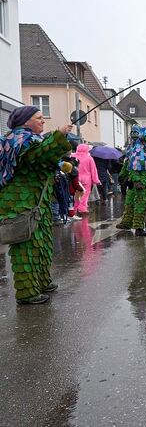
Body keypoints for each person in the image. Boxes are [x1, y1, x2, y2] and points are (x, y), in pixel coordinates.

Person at [0, 106, 72, 304]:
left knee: (42, 243)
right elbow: (38, 157)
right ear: (25, 121)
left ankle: (40, 281)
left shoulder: (31, 139)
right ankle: (27, 292)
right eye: (38, 118)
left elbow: (44, 156)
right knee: (26, 245)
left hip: (38, 202)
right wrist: (59, 134)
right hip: (22, 203)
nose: (42, 121)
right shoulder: (18, 139)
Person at [72, 143, 101, 214]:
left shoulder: (73, 156)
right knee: (85, 194)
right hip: (86, 178)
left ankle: (75, 208)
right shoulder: (89, 158)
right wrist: (96, 180)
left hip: (76, 177)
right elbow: (93, 170)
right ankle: (82, 208)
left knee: (76, 194)